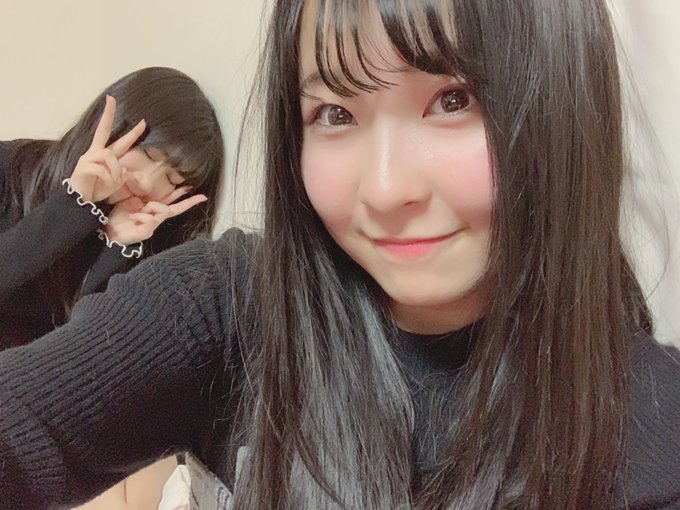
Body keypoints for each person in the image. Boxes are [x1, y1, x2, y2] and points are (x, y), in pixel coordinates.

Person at [1, 1, 679, 509]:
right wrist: (73, 207)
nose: (383, 189)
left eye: (454, 100)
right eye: (335, 114)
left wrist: (116, 241)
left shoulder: (653, 425)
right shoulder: (225, 308)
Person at [0, 66, 223, 349]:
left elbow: (84, 350)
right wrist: (72, 205)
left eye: (172, 179)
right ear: (115, 124)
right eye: (147, 153)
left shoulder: (149, 241)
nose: (146, 182)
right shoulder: (10, 167)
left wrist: (115, 247)